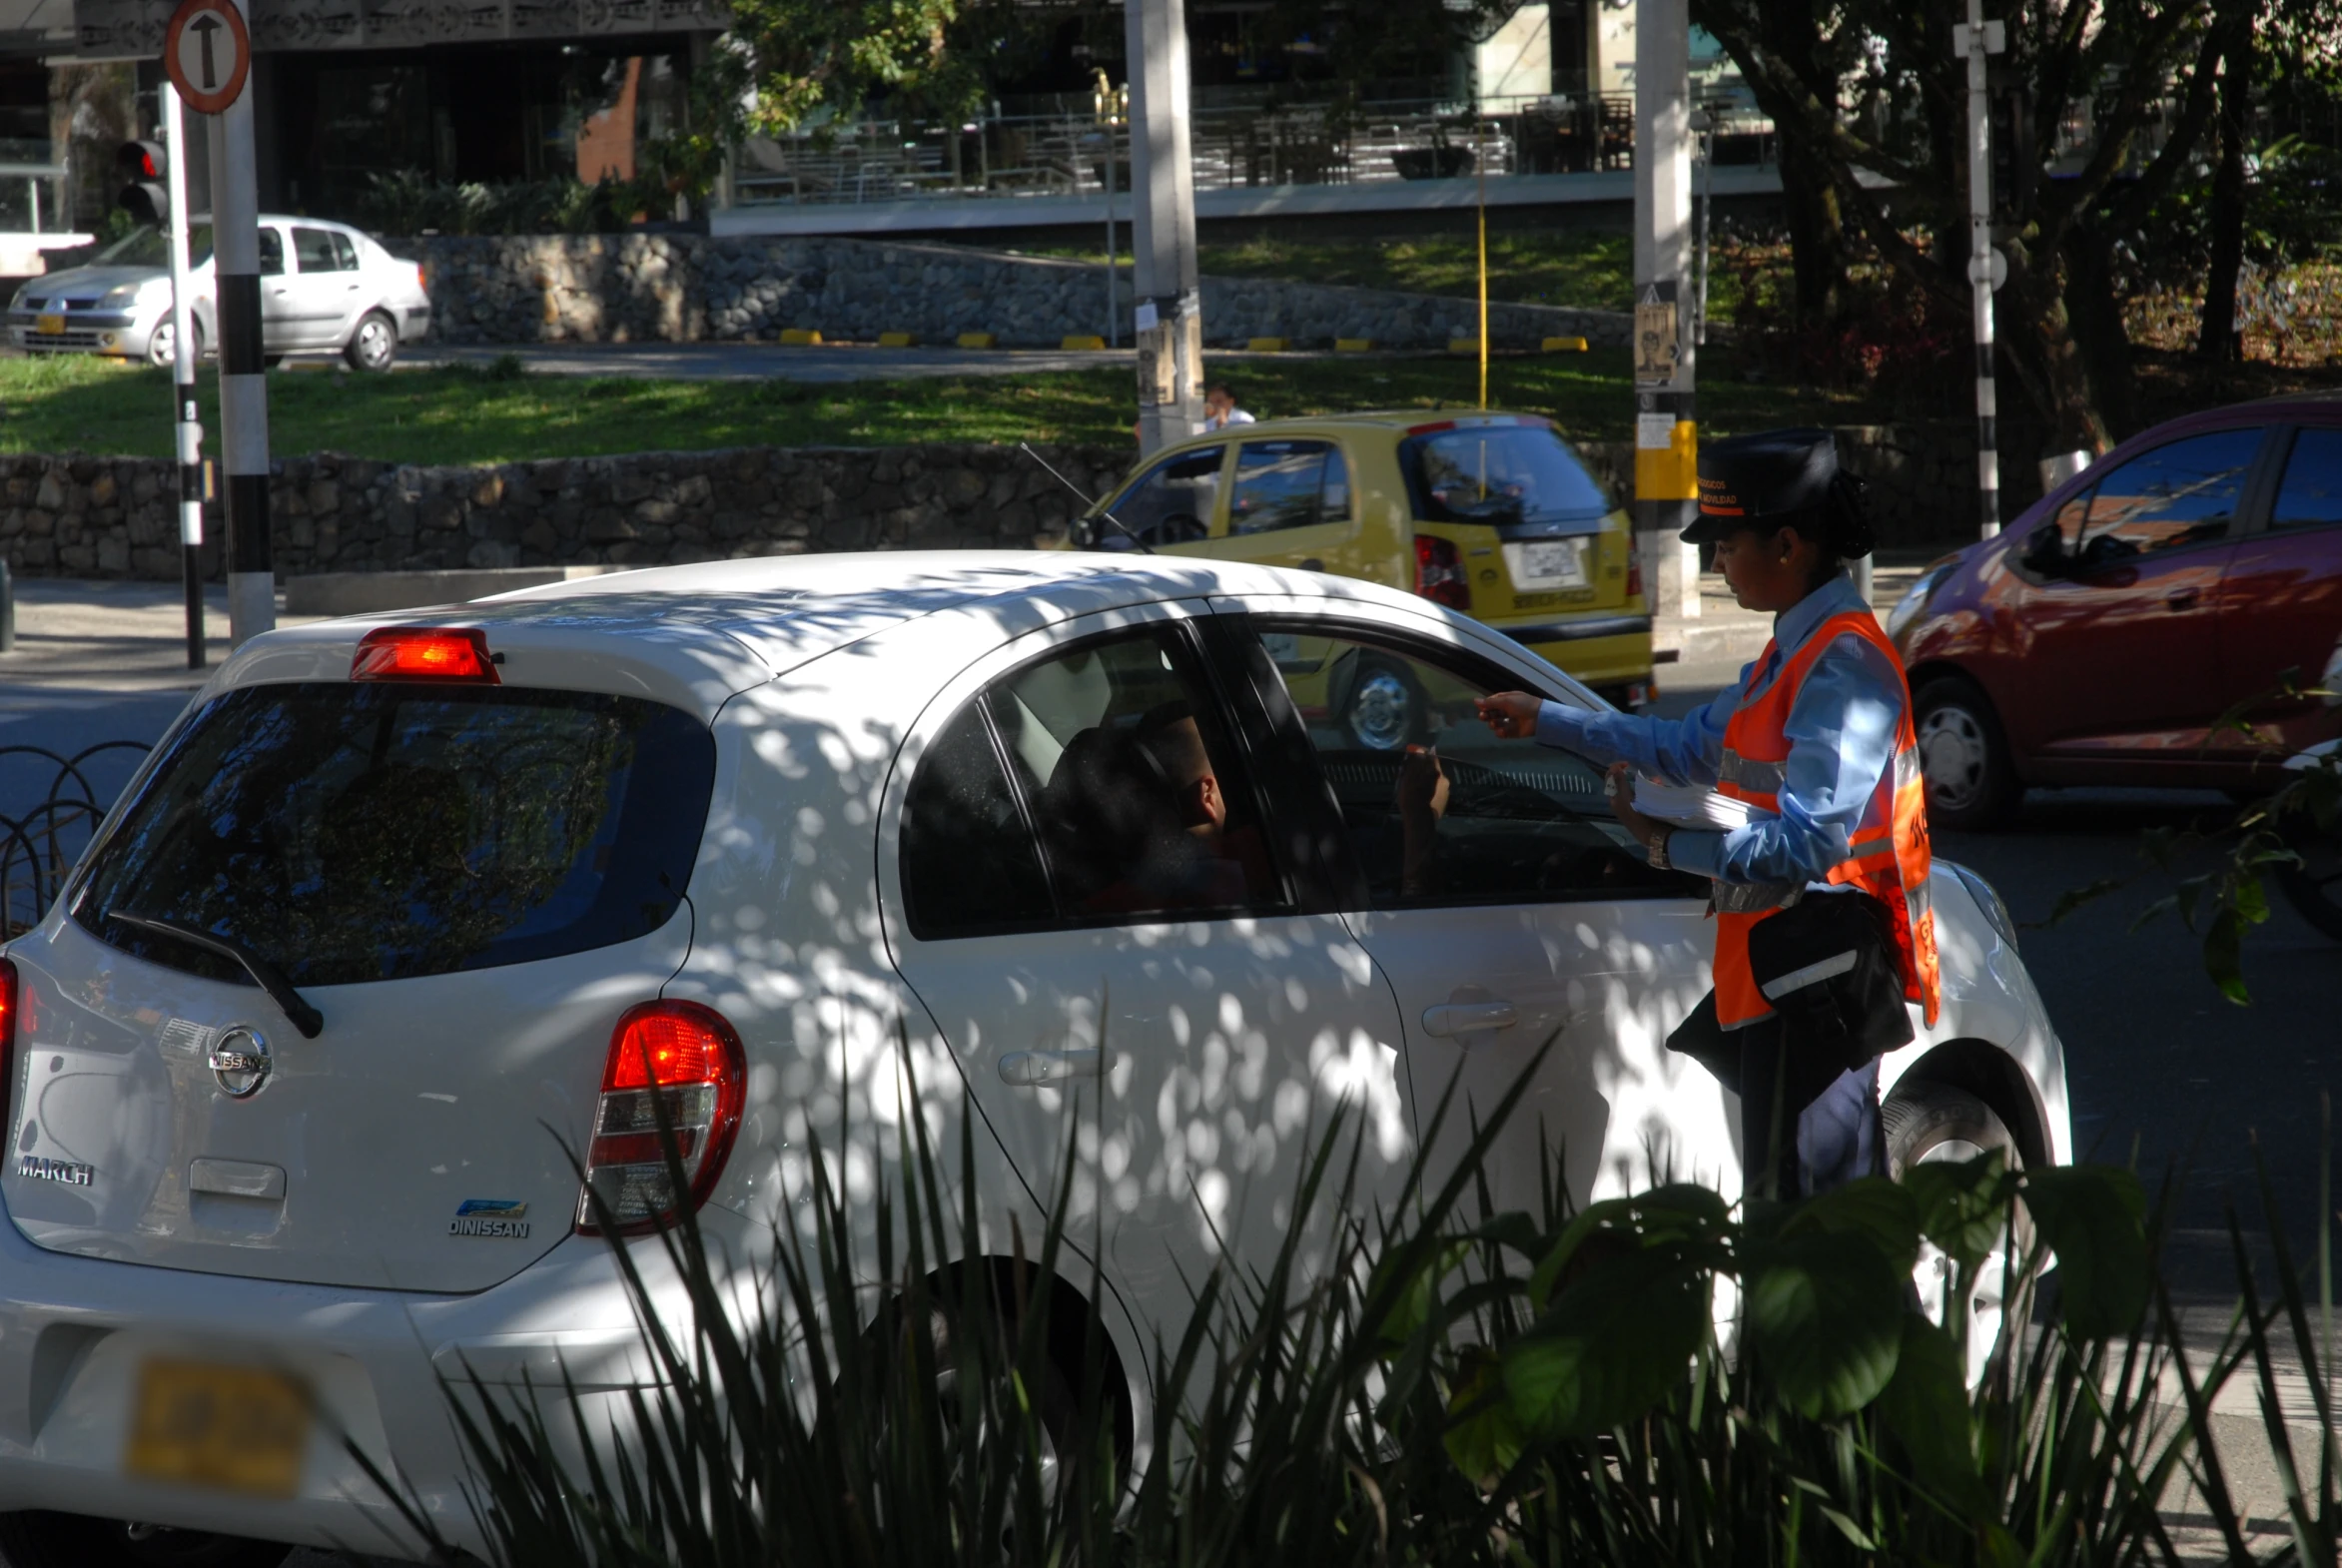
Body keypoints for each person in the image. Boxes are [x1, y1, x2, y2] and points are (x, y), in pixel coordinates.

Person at [1474, 428, 1940, 1201]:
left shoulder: (1841, 662)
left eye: (1725, 544)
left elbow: (1807, 842)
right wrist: (1548, 721)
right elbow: (1689, 747)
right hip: (1780, 982)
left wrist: (1666, 846)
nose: (1714, 563)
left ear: (1786, 545)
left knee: (1811, 1248)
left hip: (1816, 987)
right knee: (1806, 1240)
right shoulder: (1793, 651)